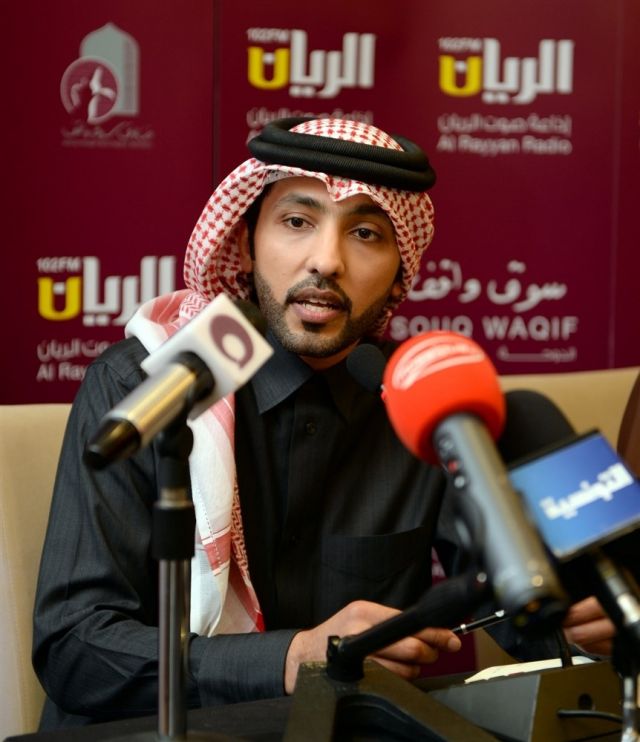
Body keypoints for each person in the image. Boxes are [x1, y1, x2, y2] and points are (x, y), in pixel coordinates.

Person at [32, 117, 615, 729]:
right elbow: (74, 648)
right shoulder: (151, 384)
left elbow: (515, 607)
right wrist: (290, 658)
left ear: (400, 270)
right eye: (296, 222)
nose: (327, 261)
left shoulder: (422, 399)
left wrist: (583, 618)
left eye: (365, 233)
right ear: (246, 241)